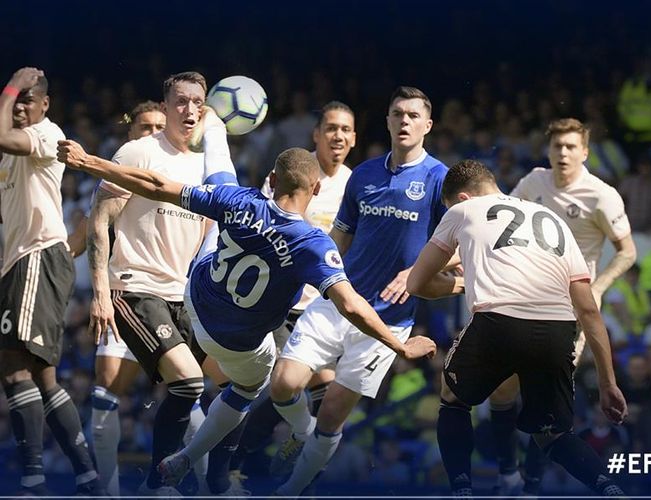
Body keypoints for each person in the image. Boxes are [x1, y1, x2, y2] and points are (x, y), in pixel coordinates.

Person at [56, 141, 437, 490]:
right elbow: (351, 304)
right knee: (249, 386)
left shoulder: (241, 200)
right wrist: (399, 347)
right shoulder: (312, 244)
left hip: (195, 306)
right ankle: (188, 459)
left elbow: (155, 184)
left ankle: (216, 130)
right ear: (316, 190)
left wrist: (90, 162)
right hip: (239, 342)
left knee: (217, 202)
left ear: (272, 180)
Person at [269, 86, 453, 496]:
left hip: (388, 320)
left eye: (412, 115)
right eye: (396, 114)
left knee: (332, 414)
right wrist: (309, 272)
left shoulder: (440, 179)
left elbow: (458, 247)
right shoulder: (364, 175)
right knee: (283, 383)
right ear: (387, 121)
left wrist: (415, 272)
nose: (404, 121)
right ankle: (300, 433)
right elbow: (340, 238)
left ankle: (290, 491)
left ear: (427, 124)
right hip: (338, 301)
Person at [406, 159, 628, 497]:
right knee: (552, 433)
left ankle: (462, 491)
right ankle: (610, 488)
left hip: (498, 322)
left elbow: (417, 282)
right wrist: (607, 382)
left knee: (453, 399)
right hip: (557, 331)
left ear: (462, 198)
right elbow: (588, 309)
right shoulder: (553, 219)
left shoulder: (463, 212)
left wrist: (463, 284)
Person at [83, 71, 221, 495]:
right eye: (180, 101)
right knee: (188, 382)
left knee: (200, 389)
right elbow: (100, 220)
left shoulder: (205, 168)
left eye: (197, 102)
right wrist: (102, 293)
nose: (189, 109)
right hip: (134, 287)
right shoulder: (139, 151)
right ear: (165, 107)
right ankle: (157, 481)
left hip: (181, 296)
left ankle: (194, 481)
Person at [490, 117, 636, 494]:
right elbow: (502, 227)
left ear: (585, 152)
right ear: (548, 150)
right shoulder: (532, 183)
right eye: (557, 146)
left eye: (571, 146)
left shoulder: (601, 195)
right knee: (502, 389)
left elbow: (628, 251)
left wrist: (600, 285)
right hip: (523, 298)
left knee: (546, 404)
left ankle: (531, 487)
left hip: (570, 310)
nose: (563, 153)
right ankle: (507, 471)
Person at [229, 100, 357, 476]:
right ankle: (239, 464)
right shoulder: (290, 173)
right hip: (284, 303)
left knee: (323, 397)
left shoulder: (356, 185)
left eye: (345, 129)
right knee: (285, 384)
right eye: (331, 127)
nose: (338, 135)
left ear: (353, 138)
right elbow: (263, 223)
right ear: (316, 135)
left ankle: (278, 473)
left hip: (327, 307)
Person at [0, 67, 102, 495]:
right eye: (17, 99)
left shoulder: (45, 133)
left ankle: (34, 479)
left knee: (12, 369)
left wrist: (6, 88)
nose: (21, 105)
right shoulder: (11, 153)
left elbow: (4, 136)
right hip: (21, 263)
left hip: (38, 259)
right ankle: (88, 476)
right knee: (43, 377)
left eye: (29, 98)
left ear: (45, 105)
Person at [66, 101, 166, 257]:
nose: (154, 133)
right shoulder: (116, 178)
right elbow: (82, 237)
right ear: (131, 134)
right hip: (133, 275)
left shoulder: (191, 167)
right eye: (146, 127)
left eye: (160, 128)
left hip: (184, 276)